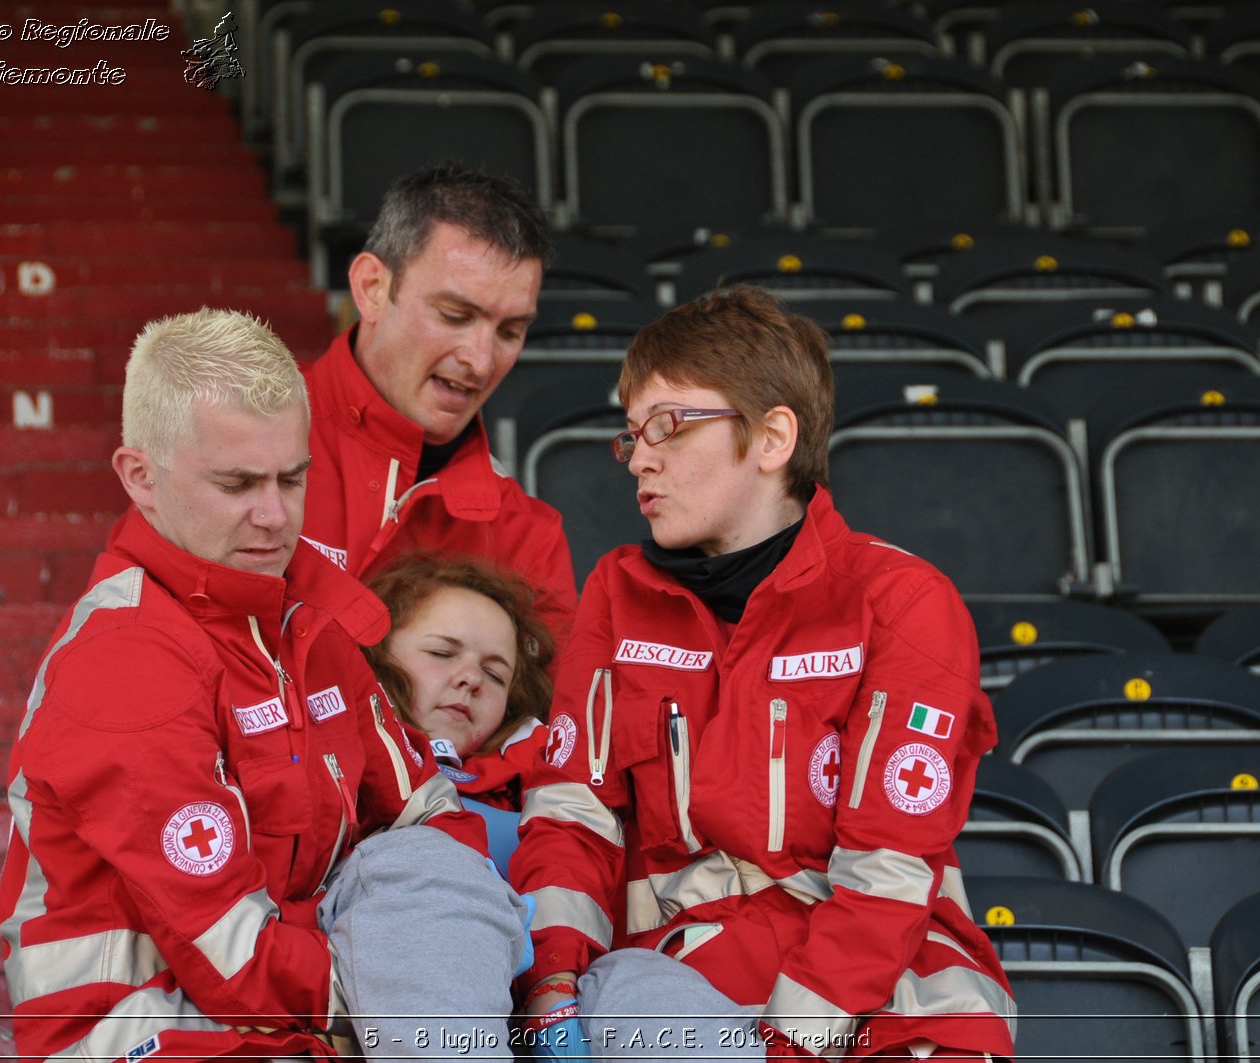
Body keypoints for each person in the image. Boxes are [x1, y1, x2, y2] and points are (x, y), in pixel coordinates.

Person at [0, 308, 530, 1062]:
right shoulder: (123, 658)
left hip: (301, 1013)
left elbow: (427, 814)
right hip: (141, 1034)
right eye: (237, 483)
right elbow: (230, 956)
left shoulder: (310, 611)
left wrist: (437, 963)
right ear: (139, 477)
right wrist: (412, 991)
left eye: (292, 477)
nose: (274, 516)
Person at [510, 287, 1017, 1061]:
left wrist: (790, 1045)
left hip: (898, 1001)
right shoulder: (617, 595)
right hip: (683, 989)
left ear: (774, 436)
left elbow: (887, 872)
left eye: (670, 425)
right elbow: (574, 816)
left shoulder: (902, 600)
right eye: (632, 434)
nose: (640, 457)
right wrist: (551, 987)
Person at [302, 161, 578, 642]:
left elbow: (544, 712)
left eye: (511, 332)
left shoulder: (525, 533)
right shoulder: (235, 439)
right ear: (371, 288)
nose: (480, 360)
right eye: (455, 315)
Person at [364, 553, 555, 812]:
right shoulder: (329, 761)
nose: (473, 678)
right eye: (442, 654)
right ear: (375, 653)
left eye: (494, 675)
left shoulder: (542, 788)